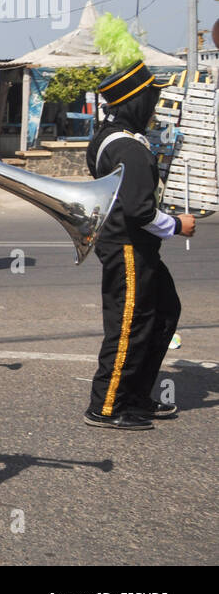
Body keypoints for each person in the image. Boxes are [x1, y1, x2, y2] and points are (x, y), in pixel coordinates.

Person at [84, 58, 194, 429]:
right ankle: (107, 405)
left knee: (164, 313)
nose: (153, 107)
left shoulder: (109, 138)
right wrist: (178, 224)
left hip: (132, 245)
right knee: (130, 324)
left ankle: (135, 395)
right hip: (128, 245)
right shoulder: (128, 148)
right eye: (149, 100)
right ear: (136, 103)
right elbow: (139, 211)